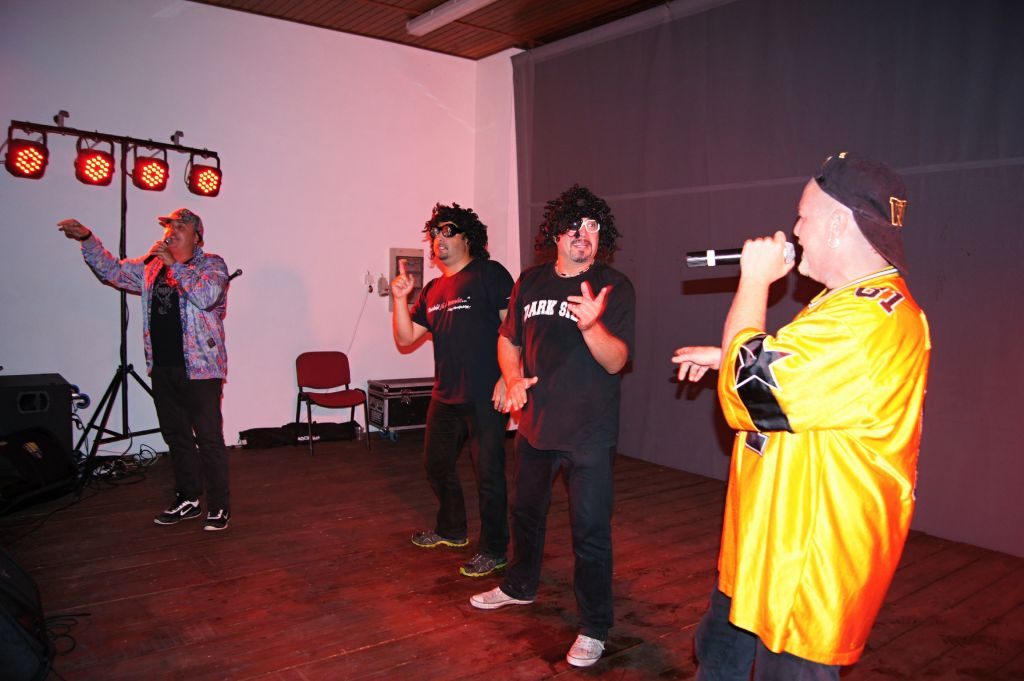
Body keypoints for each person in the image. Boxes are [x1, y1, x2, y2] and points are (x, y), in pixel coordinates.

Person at [672, 153, 931, 679]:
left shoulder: (870, 323)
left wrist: (754, 281)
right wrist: (726, 357)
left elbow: (750, 391)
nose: (793, 231)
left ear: (837, 224)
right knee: (718, 657)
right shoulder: (845, 305)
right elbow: (802, 381)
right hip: (766, 547)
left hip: (807, 567)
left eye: (803, 216)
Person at [470, 185, 636, 668]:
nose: (582, 233)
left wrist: (591, 326)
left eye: (592, 226)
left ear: (601, 236)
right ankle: (519, 586)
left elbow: (617, 361)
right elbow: (509, 341)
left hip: (589, 433)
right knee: (525, 513)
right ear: (556, 233)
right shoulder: (530, 281)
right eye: (573, 225)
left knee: (590, 532)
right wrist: (511, 378)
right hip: (535, 426)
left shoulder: (614, 286)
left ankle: (594, 627)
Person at [58, 208, 233, 531]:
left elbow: (206, 297)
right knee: (176, 436)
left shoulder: (212, 265)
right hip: (162, 366)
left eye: (180, 226)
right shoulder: (151, 268)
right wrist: (87, 239)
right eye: (169, 226)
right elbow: (113, 271)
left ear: (197, 237)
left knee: (208, 438)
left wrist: (173, 265)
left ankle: (219, 505)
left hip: (201, 369)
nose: (171, 231)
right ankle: (188, 498)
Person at [392, 203, 515, 578]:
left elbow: (515, 328)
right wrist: (399, 299)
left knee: (489, 475)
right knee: (436, 464)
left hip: (485, 394)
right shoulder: (432, 289)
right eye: (434, 233)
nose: (438, 239)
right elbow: (406, 338)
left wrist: (508, 376)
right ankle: (451, 529)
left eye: (447, 231)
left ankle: (494, 550)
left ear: (467, 237)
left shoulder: (489, 274)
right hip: (445, 395)